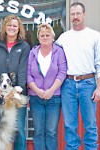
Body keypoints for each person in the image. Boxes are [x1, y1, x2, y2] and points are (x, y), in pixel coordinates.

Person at [56, 2, 100, 150]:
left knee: (90, 124)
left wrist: (99, 88)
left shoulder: (95, 36)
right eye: (72, 14)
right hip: (67, 84)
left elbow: (99, 63)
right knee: (69, 125)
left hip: (88, 83)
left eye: (78, 14)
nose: (75, 17)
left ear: (84, 15)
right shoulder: (63, 38)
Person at [0, 14, 30, 150]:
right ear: (5, 27)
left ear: (19, 29)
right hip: (0, 94)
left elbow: (23, 71)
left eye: (15, 26)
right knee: (1, 129)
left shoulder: (24, 46)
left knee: (18, 130)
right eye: (9, 25)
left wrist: (16, 91)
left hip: (17, 94)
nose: (12, 28)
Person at [27, 23, 67, 150]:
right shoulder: (32, 53)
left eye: (47, 35)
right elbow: (28, 74)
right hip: (36, 98)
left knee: (51, 132)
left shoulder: (59, 52)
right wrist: (37, 90)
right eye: (42, 35)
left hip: (54, 98)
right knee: (38, 132)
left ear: (53, 37)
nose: (45, 37)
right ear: (38, 37)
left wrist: (51, 90)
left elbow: (62, 72)